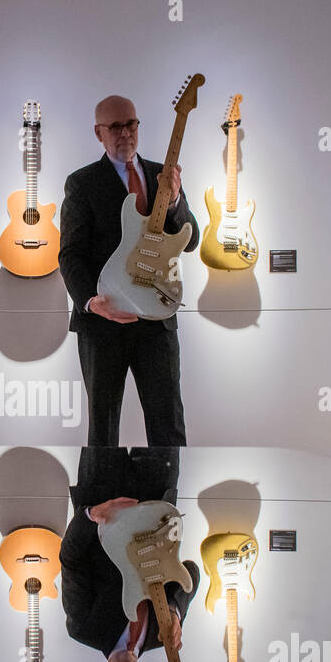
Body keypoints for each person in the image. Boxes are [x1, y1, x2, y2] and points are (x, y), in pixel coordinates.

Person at [59, 95, 200, 447]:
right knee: (103, 430)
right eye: (115, 127)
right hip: (105, 320)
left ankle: (170, 502)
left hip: (158, 319)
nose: (125, 134)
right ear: (98, 133)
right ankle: (97, 503)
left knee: (168, 425)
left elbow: (191, 238)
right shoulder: (82, 183)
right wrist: (91, 302)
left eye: (131, 124)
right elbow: (70, 254)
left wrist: (177, 201)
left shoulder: (162, 176)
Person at [60, 448, 197, 662]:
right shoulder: (164, 635)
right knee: (165, 417)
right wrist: (175, 612)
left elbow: (71, 561)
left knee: (103, 410)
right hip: (157, 499)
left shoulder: (84, 629)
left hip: (103, 493)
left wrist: (91, 514)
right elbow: (190, 571)